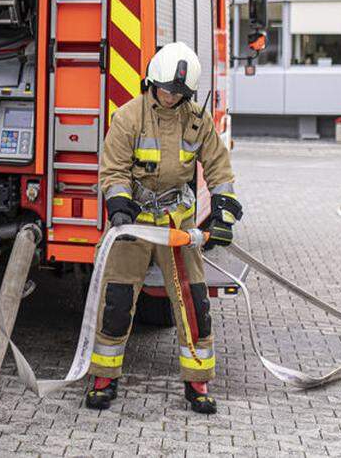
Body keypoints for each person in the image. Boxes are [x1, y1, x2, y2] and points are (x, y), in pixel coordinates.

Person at [86, 42, 242, 414]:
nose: (171, 97)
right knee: (117, 300)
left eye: (179, 93)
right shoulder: (128, 117)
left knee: (193, 303)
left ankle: (197, 382)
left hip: (178, 224)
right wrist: (118, 203)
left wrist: (224, 213)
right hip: (137, 223)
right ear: (152, 82)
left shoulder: (196, 120)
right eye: (166, 89)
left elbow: (219, 168)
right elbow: (114, 168)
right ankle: (104, 378)